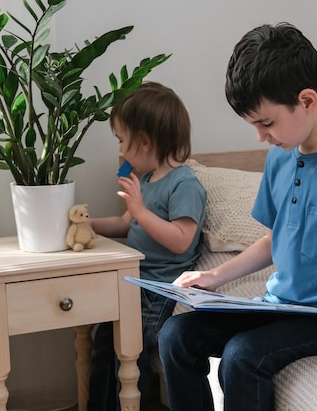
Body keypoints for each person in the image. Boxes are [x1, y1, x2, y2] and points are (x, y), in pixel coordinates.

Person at [157, 23, 317, 411]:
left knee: (243, 356)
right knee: (175, 335)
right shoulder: (280, 157)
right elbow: (274, 239)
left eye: (266, 123)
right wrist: (213, 277)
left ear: (308, 101)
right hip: (278, 305)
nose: (261, 137)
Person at [86, 81, 207, 411]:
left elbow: (182, 241)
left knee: (133, 350)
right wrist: (88, 225)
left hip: (160, 290)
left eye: (122, 140)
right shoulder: (148, 181)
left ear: (143, 142)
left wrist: (139, 210)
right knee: (105, 341)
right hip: (134, 284)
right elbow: (127, 224)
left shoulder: (184, 183)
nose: (121, 150)